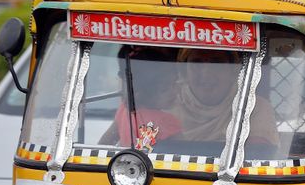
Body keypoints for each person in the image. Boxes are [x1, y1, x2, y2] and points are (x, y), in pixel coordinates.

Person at [104, 47, 279, 154]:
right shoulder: (159, 98)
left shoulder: (254, 107)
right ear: (184, 69)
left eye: (216, 63)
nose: (206, 73)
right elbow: (110, 138)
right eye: (196, 63)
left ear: (232, 71)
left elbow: (257, 157)